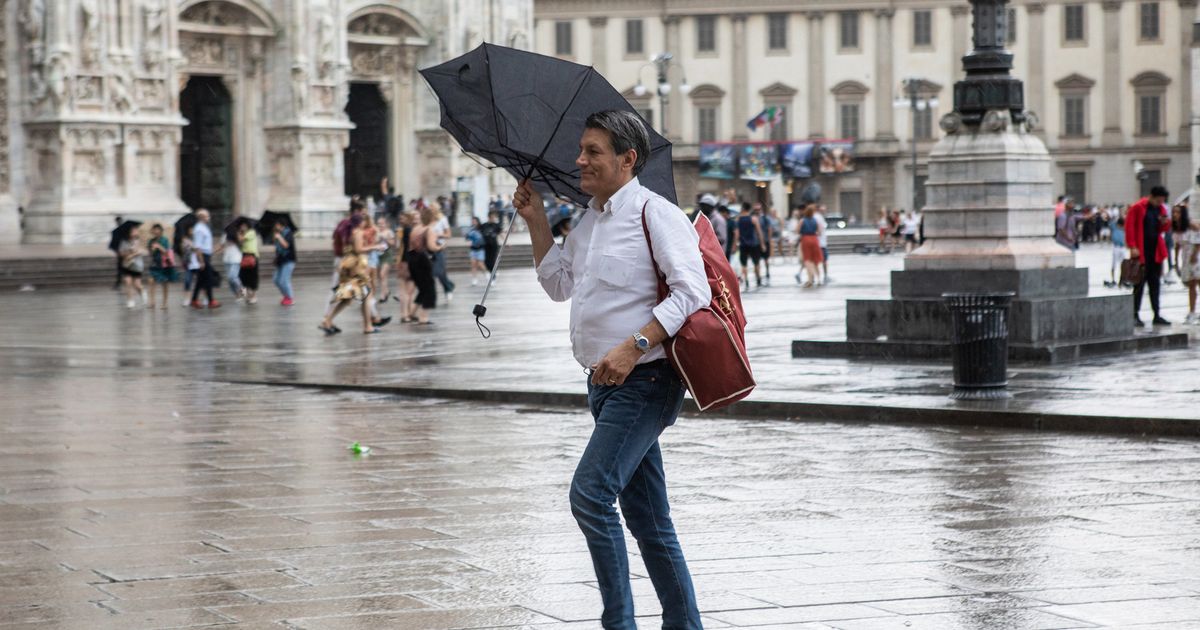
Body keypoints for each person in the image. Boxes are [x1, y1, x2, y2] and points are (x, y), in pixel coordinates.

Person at [514, 110, 708, 629]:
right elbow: (558, 284)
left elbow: (694, 292)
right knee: (649, 521)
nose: (580, 160)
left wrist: (634, 344)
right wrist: (536, 221)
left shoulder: (655, 213)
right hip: (603, 386)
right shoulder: (590, 219)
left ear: (627, 159)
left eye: (593, 151)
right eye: (581, 149)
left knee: (590, 495)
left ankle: (618, 623)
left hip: (644, 380)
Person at [319, 214, 379, 335]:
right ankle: (368, 326)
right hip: (357, 268)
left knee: (348, 298)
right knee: (364, 296)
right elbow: (358, 249)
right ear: (360, 222)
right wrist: (375, 246)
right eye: (363, 220)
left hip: (351, 267)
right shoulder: (358, 233)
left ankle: (328, 320)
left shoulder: (351, 232)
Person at [1126, 186, 1172, 326]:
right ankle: (1134, 315)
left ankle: (1156, 314)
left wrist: (1164, 223)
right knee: (1139, 284)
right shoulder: (1138, 207)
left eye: (1162, 201)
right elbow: (1130, 227)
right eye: (1159, 200)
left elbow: (1163, 228)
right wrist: (1133, 246)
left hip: (1155, 252)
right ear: (1152, 196)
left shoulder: (1160, 209)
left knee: (1155, 284)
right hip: (1141, 252)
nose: (1160, 203)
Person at [405, 205, 442, 325]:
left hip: (412, 258)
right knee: (429, 288)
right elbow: (432, 246)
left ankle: (412, 313)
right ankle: (423, 317)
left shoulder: (415, 229)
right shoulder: (429, 230)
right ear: (432, 218)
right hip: (422, 260)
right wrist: (440, 246)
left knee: (421, 288)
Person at [189, 209, 220, 309]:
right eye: (207, 216)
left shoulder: (204, 227)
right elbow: (198, 247)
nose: (209, 218)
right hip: (202, 256)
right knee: (209, 278)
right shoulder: (199, 229)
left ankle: (194, 300)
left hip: (206, 254)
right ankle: (211, 300)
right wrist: (201, 261)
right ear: (202, 217)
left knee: (201, 280)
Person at [146, 224, 179, 309]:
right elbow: (150, 253)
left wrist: (159, 247)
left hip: (164, 265)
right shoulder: (151, 241)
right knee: (151, 281)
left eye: (157, 229)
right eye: (154, 229)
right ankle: (152, 301)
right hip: (155, 264)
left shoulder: (164, 240)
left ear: (161, 231)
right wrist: (152, 250)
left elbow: (167, 252)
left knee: (164, 283)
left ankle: (165, 303)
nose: (156, 231)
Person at [734, 202, 766, 289]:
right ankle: (758, 279)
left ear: (743, 209)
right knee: (756, 263)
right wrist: (762, 244)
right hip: (753, 243)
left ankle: (747, 280)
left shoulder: (738, 220)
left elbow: (737, 233)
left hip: (743, 244)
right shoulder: (753, 219)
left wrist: (735, 245)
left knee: (744, 264)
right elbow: (759, 232)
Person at [430, 206, 455, 302]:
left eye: (434, 210)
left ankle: (448, 287)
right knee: (433, 272)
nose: (432, 212)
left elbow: (448, 235)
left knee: (439, 272)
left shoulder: (442, 220)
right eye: (430, 210)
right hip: (429, 247)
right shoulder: (427, 221)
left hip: (439, 247)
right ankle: (448, 287)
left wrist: (439, 235)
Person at [118, 231, 148, 309]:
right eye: (131, 231)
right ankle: (130, 300)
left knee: (137, 285)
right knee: (128, 282)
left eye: (134, 231)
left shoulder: (139, 241)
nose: (133, 232)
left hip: (137, 266)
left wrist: (134, 254)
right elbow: (121, 253)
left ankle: (143, 292)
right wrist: (126, 253)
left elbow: (143, 252)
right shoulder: (124, 242)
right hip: (127, 265)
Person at [797, 204, 824, 288]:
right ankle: (819, 279)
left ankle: (810, 280)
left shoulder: (802, 220)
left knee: (807, 260)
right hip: (814, 239)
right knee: (815, 259)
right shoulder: (815, 220)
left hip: (806, 239)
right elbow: (819, 232)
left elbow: (797, 230)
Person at [272, 220, 297, 306]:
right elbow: (278, 248)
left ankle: (290, 298)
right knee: (276, 280)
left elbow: (286, 245)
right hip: (280, 260)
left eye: (276, 225)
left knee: (284, 280)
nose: (275, 227)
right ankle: (286, 296)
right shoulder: (279, 233)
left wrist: (279, 238)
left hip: (288, 260)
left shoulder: (288, 233)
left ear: (280, 225)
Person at [1180, 218, 1200, 324]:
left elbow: (1197, 242)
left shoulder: (1193, 226)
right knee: (1191, 285)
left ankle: (1192, 312)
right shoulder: (1181, 228)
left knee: (1193, 285)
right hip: (1187, 258)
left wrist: (1195, 255)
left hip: (1194, 259)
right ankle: (1192, 312)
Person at [237, 221, 260, 304]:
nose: (242, 227)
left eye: (244, 225)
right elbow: (240, 243)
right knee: (244, 277)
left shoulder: (251, 232)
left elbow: (240, 239)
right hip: (244, 256)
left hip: (252, 256)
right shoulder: (244, 233)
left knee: (253, 277)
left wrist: (239, 233)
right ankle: (248, 295)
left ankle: (253, 296)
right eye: (241, 225)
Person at [220, 231, 244, 301]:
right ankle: (237, 295)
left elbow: (242, 244)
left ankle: (243, 290)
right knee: (229, 280)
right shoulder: (224, 235)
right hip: (226, 259)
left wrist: (237, 238)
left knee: (233, 277)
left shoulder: (238, 233)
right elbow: (222, 245)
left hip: (236, 258)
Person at [1105, 214, 1127, 289]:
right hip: (1116, 247)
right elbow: (1110, 220)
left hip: (1123, 247)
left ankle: (1122, 280)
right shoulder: (1114, 227)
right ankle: (1113, 279)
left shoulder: (1124, 228)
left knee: (1123, 264)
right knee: (1114, 264)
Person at [466, 216, 487, 286]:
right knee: (473, 264)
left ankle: (487, 275)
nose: (473, 222)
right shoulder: (470, 229)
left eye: (474, 221)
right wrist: (469, 241)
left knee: (480, 264)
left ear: (477, 221)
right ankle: (474, 279)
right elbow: (467, 237)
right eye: (472, 221)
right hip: (473, 249)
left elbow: (484, 237)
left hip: (480, 249)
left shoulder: (482, 228)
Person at [814, 204, 830, 283]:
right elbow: (819, 230)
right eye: (822, 208)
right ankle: (823, 276)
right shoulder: (817, 217)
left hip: (821, 242)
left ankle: (819, 276)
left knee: (822, 260)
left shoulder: (819, 217)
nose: (824, 209)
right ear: (818, 209)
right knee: (823, 260)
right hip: (820, 243)